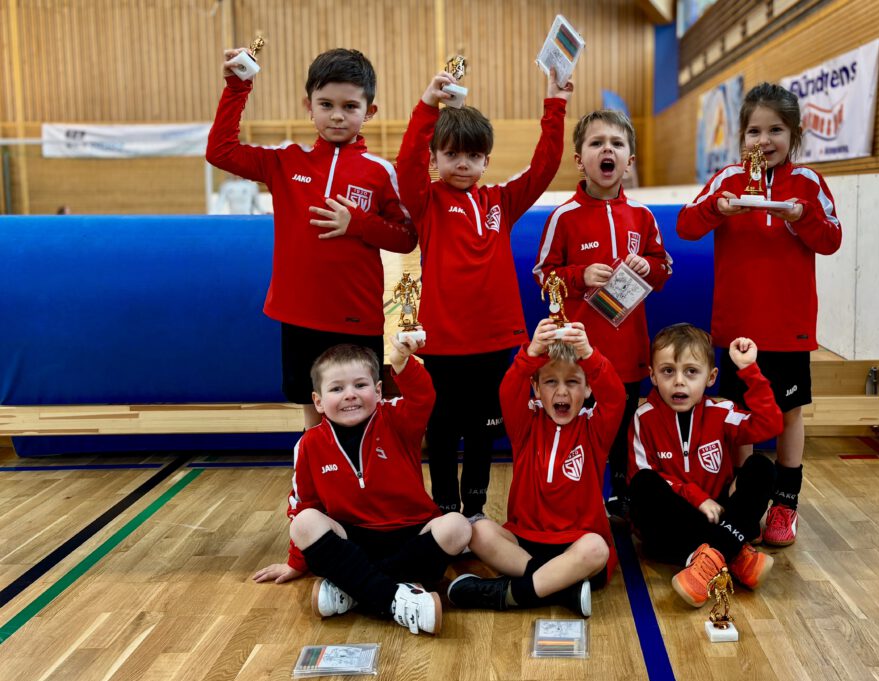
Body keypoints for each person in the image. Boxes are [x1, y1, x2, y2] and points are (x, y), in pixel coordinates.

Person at [396, 67, 573, 520]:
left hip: (494, 343)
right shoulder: (426, 202)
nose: (462, 164)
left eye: (473, 156)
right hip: (444, 345)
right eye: (452, 154)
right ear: (435, 158)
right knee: (442, 432)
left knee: (482, 433)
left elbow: (544, 166)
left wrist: (555, 103)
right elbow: (405, 164)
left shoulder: (501, 201)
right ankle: (444, 509)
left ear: (486, 161)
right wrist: (427, 106)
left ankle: (474, 509)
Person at [207, 47, 417, 430]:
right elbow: (220, 152)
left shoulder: (380, 172)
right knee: (312, 410)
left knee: (362, 412)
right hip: (298, 315)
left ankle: (362, 469)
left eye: (350, 106)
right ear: (309, 106)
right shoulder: (285, 161)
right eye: (326, 104)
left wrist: (358, 223)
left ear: (369, 111)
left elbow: (406, 238)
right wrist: (237, 88)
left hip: (356, 317)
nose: (337, 115)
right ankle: (312, 468)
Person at [676, 82, 842, 546]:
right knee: (737, 415)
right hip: (737, 328)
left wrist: (801, 218)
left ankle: (785, 505)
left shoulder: (807, 184)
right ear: (741, 136)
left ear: (794, 134)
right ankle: (744, 502)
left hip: (788, 328)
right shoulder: (727, 180)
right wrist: (716, 209)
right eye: (754, 131)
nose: (763, 140)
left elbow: (832, 239)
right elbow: (686, 225)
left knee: (788, 414)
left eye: (775, 130)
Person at [251, 337, 472, 635]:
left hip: (411, 536)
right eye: (336, 389)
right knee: (304, 523)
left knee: (458, 526)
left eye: (360, 385)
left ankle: (353, 590)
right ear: (318, 401)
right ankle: (396, 597)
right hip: (353, 541)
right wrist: (296, 563)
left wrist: (402, 364)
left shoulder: (398, 420)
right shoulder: (310, 444)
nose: (350, 395)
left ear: (378, 391)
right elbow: (304, 503)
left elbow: (423, 397)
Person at [533, 109, 672, 521]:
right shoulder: (563, 216)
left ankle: (622, 496)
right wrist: (579, 276)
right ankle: (581, 495)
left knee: (623, 428)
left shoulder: (643, 216)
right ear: (580, 159)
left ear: (629, 160)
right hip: (578, 354)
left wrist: (649, 266)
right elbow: (542, 275)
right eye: (596, 143)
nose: (606, 149)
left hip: (628, 353)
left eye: (616, 143)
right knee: (582, 427)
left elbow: (664, 269)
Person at [447, 319, 625, 617]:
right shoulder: (526, 424)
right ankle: (559, 586)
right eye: (551, 381)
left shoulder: (595, 428)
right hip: (525, 542)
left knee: (597, 548)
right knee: (476, 531)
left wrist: (589, 354)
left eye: (572, 382)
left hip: (576, 544)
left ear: (588, 387)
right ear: (536, 387)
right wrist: (531, 353)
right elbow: (508, 390)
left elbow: (615, 397)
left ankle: (508, 594)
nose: (562, 392)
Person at [627, 324, 782, 607]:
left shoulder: (721, 412)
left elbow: (770, 425)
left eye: (691, 372)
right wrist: (697, 498)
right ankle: (734, 554)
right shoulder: (644, 417)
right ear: (652, 375)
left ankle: (709, 560)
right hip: (674, 524)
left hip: (718, 513)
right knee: (643, 485)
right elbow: (641, 474)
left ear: (710, 377)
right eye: (668, 371)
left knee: (761, 467)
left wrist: (750, 371)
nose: (679, 382)